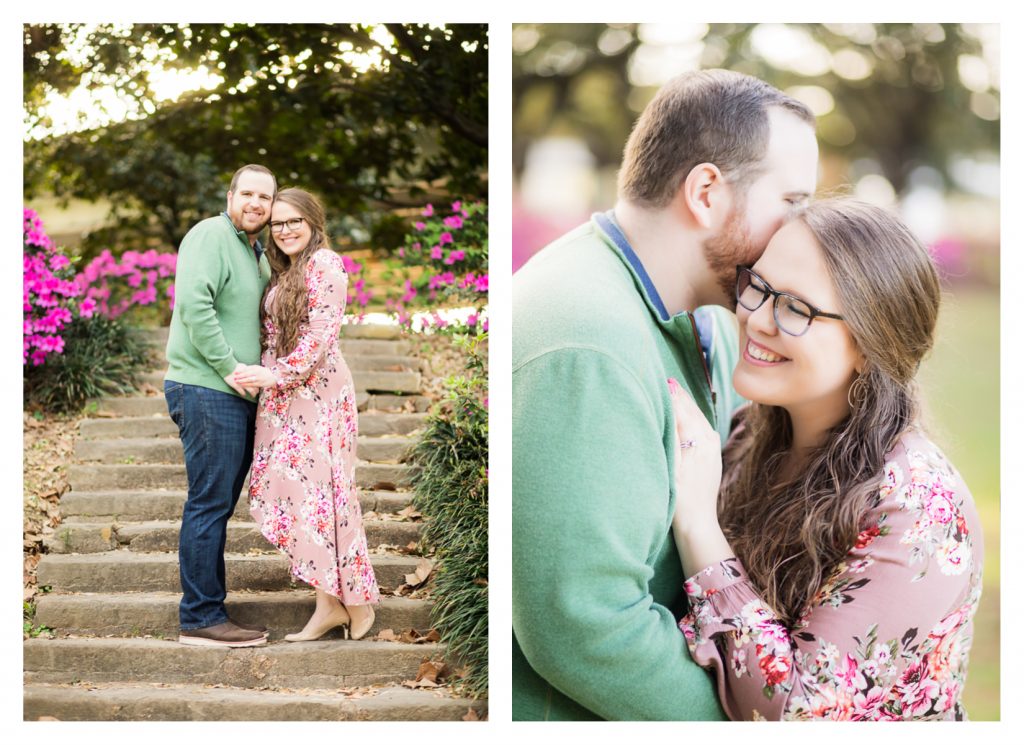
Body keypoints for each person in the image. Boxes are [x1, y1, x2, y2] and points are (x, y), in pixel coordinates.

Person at [512, 69, 819, 719]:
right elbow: (586, 627)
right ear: (706, 192)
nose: (803, 230)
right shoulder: (587, 342)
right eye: (792, 202)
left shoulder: (711, 315)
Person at [668, 198, 984, 720]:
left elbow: (800, 713)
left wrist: (700, 527)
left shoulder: (919, 508)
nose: (756, 318)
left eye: (795, 308)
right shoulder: (752, 435)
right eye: (759, 287)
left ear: (869, 343)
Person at [233, 188, 380, 642]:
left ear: (314, 221)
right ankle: (336, 602)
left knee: (323, 496)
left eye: (294, 220)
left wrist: (270, 375)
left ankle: (343, 602)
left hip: (317, 394)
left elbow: (319, 339)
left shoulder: (326, 264)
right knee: (301, 500)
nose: (285, 229)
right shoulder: (285, 271)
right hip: (281, 399)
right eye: (278, 224)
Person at [164, 164, 275, 647]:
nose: (255, 203)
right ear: (230, 195)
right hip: (206, 388)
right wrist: (230, 367)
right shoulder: (210, 235)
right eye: (247, 193)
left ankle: (205, 609)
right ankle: (201, 617)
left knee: (218, 503)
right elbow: (194, 305)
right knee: (209, 503)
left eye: (264, 197)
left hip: (236, 394)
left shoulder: (256, 252)